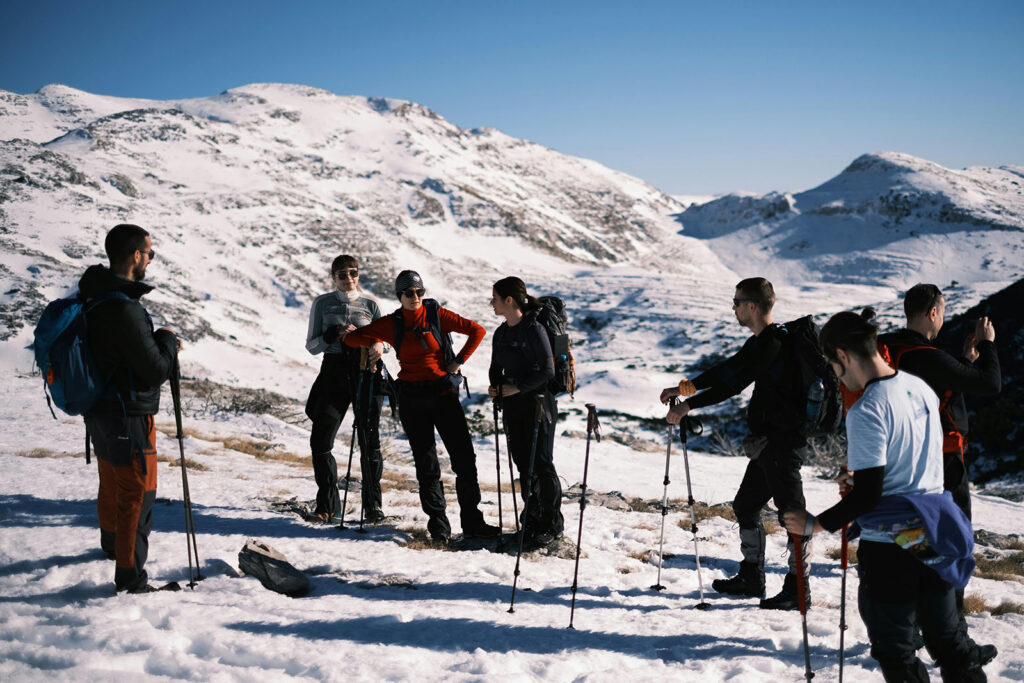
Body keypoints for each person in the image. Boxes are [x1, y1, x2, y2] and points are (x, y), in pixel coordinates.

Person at [782, 311, 994, 682]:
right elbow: (912, 460)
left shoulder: (866, 409)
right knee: (948, 643)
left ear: (843, 355)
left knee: (896, 653)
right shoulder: (919, 388)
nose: (836, 374)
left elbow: (868, 496)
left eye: (833, 365)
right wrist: (862, 477)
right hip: (934, 531)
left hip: (890, 547)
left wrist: (815, 524)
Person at [660, 277, 811, 609]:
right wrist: (684, 388)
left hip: (783, 443)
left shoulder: (773, 344)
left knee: (793, 514)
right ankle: (752, 577)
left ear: (753, 306)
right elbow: (727, 370)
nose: (734, 308)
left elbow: (735, 383)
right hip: (766, 444)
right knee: (745, 505)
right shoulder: (761, 342)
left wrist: (689, 405)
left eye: (737, 302)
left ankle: (798, 589)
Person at [343, 270, 499, 544]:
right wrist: (376, 340)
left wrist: (458, 361)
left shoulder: (437, 315)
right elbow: (351, 339)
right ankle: (439, 526)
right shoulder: (393, 323)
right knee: (427, 464)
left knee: (464, 459)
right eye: (408, 293)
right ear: (399, 296)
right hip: (412, 397)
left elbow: (477, 330)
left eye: (419, 292)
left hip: (443, 392)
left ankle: (473, 522)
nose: (415, 297)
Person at [80, 223, 180, 594]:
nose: (150, 261)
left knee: (111, 480)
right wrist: (168, 342)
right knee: (138, 492)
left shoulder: (93, 296)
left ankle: (111, 545)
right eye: (149, 254)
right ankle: (131, 578)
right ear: (136, 255)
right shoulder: (124, 308)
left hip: (99, 409)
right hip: (129, 412)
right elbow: (155, 368)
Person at [877, 284, 1000, 521]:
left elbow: (939, 386)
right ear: (933, 313)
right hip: (942, 455)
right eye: (942, 313)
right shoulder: (928, 356)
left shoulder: (886, 348)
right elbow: (991, 384)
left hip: (896, 450)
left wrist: (964, 360)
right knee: (951, 524)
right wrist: (987, 344)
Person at [304, 255, 386, 524]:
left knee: (368, 439)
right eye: (342, 274)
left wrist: (378, 345)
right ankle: (327, 505)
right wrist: (330, 337)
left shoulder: (371, 304)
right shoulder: (323, 303)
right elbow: (312, 346)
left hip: (365, 371)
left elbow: (386, 340)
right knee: (321, 437)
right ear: (333, 277)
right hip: (334, 369)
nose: (348, 278)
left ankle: (373, 506)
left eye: (353, 272)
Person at [487, 277, 562, 546]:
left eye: (495, 298)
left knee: (541, 463)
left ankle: (551, 525)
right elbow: (496, 368)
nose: (491, 303)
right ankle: (530, 522)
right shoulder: (502, 333)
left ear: (509, 300)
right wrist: (496, 387)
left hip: (539, 403)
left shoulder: (534, 329)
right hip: (514, 404)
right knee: (523, 465)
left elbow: (547, 371)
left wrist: (515, 387)